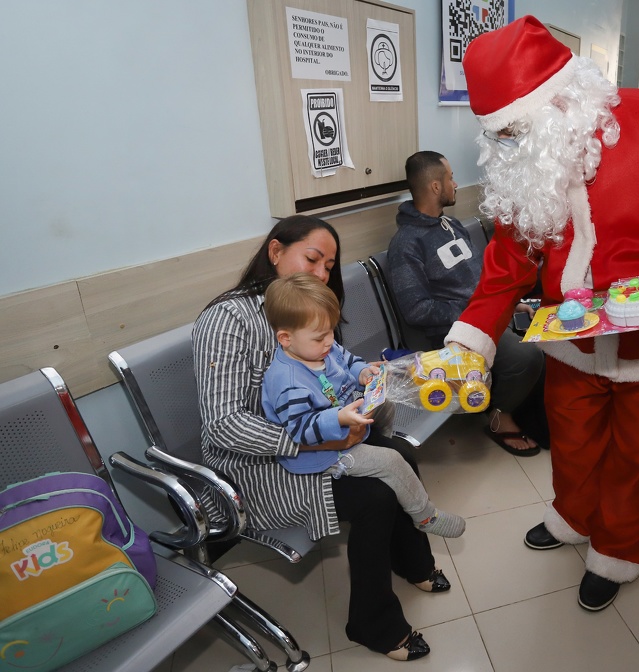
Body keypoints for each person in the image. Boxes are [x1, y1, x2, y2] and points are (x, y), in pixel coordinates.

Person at [446, 16, 639, 611]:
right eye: (500, 135)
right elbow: (509, 259)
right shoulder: (527, 160)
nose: (509, 145)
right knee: (574, 442)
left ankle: (618, 552)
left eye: (516, 130)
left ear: (560, 100)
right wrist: (469, 342)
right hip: (570, 341)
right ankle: (572, 519)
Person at [193, 215, 446, 662]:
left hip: (321, 433)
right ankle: (373, 623)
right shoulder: (227, 320)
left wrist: (364, 389)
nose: (322, 273)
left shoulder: (304, 305)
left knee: (399, 451)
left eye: (328, 266)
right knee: (374, 497)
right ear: (275, 253)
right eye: (312, 258)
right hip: (259, 465)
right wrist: (317, 440)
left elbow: (333, 369)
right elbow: (224, 425)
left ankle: (413, 563)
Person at [261, 272, 465, 538]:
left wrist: (363, 372)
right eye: (319, 337)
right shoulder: (287, 381)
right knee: (391, 460)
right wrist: (339, 418)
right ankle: (425, 515)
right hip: (321, 452)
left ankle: (378, 441)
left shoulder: (323, 347)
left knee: (386, 405)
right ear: (285, 338)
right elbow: (301, 431)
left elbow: (348, 360)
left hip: (346, 418)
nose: (329, 341)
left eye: (331, 332)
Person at [387, 150, 545, 456]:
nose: (456, 184)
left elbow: (480, 283)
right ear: (435, 187)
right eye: (450, 178)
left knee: (544, 335)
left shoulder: (453, 225)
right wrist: (476, 317)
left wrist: (505, 306)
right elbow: (416, 309)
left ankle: (522, 410)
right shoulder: (406, 244)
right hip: (451, 333)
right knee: (527, 358)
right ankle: (499, 415)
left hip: (479, 320)